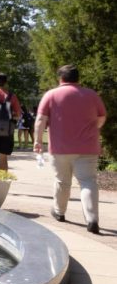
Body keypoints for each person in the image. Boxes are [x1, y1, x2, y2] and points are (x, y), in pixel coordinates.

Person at [34, 64, 107, 234]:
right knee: (88, 181)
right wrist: (94, 128)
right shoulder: (91, 95)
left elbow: (40, 119)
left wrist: (38, 141)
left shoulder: (51, 95)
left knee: (62, 181)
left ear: (61, 78)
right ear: (78, 78)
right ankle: (92, 219)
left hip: (60, 148)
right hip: (87, 147)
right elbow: (102, 117)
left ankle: (59, 212)